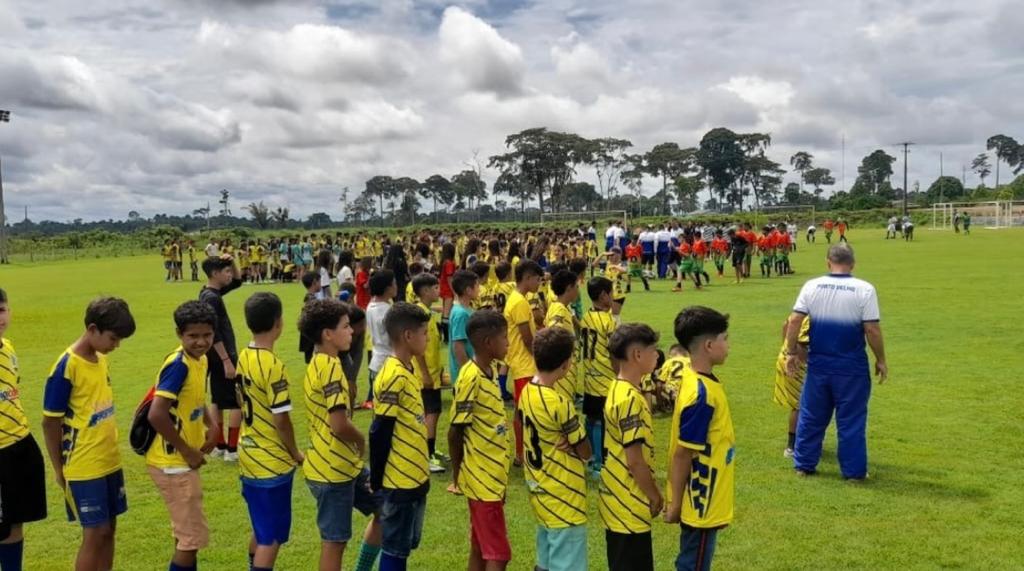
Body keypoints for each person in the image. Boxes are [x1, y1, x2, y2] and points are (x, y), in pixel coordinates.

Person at [42, 297, 136, 571]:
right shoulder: (66, 367)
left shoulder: (100, 358)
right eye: (113, 338)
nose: (116, 345)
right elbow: (50, 422)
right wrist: (59, 470)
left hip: (109, 461)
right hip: (83, 466)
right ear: (92, 329)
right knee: (94, 534)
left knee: (109, 530)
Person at [785, 244, 887, 480]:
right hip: (851, 365)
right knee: (851, 420)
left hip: (819, 363)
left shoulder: (812, 286)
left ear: (827, 261)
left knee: (811, 416)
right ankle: (853, 473)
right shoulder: (864, 289)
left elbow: (794, 321)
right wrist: (880, 359)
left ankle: (804, 465)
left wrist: (791, 352)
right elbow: (871, 329)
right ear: (852, 263)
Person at [298, 299, 383, 571]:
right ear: (327, 334)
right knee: (334, 543)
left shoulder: (319, 361)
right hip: (331, 470)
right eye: (346, 327)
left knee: (386, 509)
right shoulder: (330, 366)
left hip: (346, 466)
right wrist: (361, 440)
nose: (352, 332)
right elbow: (338, 424)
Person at [145, 301, 220, 571]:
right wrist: (187, 450)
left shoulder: (200, 359)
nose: (201, 342)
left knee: (187, 536)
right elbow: (157, 414)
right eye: (193, 336)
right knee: (191, 540)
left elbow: (197, 397)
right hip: (173, 463)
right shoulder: (179, 365)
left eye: (207, 335)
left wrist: (212, 424)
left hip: (181, 461)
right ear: (180, 334)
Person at [236, 292, 304, 571]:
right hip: (270, 463)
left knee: (261, 528)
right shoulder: (273, 366)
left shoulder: (244, 355)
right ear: (279, 322)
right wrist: (296, 453)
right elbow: (282, 420)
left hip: (248, 454)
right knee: (271, 538)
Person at [664, 306, 736, 571]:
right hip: (700, 500)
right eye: (724, 338)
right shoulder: (701, 396)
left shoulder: (698, 380)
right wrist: (675, 504)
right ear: (708, 345)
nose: (728, 345)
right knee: (692, 564)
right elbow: (683, 454)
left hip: (705, 497)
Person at [519, 327, 592, 571]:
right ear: (565, 364)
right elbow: (586, 452)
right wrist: (573, 442)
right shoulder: (559, 403)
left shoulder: (527, 391)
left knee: (546, 559)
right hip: (564, 494)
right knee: (567, 561)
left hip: (540, 489)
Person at [368, 303, 432, 570]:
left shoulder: (407, 368)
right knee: (395, 549)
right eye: (425, 333)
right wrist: (379, 480)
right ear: (408, 336)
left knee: (405, 545)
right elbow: (380, 430)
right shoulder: (392, 374)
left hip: (416, 475)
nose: (428, 338)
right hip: (399, 480)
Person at [448, 310, 513, 571]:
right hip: (481, 479)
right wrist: (457, 475)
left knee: (480, 547)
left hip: (493, 476)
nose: (509, 343)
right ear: (488, 343)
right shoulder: (470, 376)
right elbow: (455, 431)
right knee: (498, 554)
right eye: (505, 338)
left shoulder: (492, 369)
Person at [600, 323, 662, 571]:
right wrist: (654, 495)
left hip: (616, 500)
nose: (657, 355)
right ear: (637, 355)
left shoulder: (617, 387)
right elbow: (635, 460)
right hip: (628, 503)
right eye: (653, 350)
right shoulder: (630, 399)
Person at [0, 289, 47, 571]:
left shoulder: (8, 348)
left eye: (2, 310)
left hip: (19, 445)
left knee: (15, 522)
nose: (0, 318)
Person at [199, 255, 243, 462]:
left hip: (214, 355)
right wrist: (226, 360)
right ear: (215, 274)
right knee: (236, 401)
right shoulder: (212, 298)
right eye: (225, 270)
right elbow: (213, 331)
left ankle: (220, 445)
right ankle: (232, 450)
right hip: (222, 354)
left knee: (217, 399)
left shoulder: (210, 292)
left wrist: (232, 261)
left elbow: (237, 280)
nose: (229, 274)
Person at [504, 260, 543, 465]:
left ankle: (523, 451)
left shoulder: (518, 299)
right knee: (523, 412)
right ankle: (521, 453)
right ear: (527, 278)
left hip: (521, 363)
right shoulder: (519, 302)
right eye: (537, 279)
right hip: (524, 364)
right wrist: (539, 356)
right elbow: (527, 339)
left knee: (523, 410)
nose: (539, 283)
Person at [579, 277, 617, 478]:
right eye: (611, 293)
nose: (613, 297)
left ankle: (591, 458)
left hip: (589, 376)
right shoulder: (608, 321)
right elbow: (613, 351)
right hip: (605, 378)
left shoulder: (586, 317)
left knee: (591, 418)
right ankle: (600, 464)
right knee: (601, 422)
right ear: (603, 296)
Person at [411, 274, 447, 474]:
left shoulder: (426, 312)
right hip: (426, 375)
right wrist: (425, 373)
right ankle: (428, 454)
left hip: (433, 372)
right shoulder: (421, 316)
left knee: (434, 412)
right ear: (425, 291)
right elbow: (419, 349)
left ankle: (431, 448)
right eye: (435, 288)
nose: (438, 291)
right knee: (430, 413)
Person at [775, 314, 809, 457]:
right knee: (799, 405)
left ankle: (803, 440)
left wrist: (786, 350)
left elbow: (786, 324)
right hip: (796, 363)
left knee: (802, 404)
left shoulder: (804, 309)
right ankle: (792, 446)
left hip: (786, 358)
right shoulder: (815, 314)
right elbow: (802, 345)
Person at [544, 270, 580, 401]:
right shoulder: (559, 310)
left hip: (564, 367)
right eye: (576, 286)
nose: (578, 290)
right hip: (562, 371)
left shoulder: (558, 307)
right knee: (564, 404)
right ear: (569, 288)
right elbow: (554, 337)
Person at [366, 270, 397, 409]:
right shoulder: (387, 310)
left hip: (376, 360)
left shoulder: (371, 305)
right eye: (394, 283)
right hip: (388, 361)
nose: (397, 286)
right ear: (387, 288)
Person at [448, 270, 480, 389]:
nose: (479, 289)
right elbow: (458, 347)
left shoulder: (466, 310)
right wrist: (468, 373)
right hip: (464, 375)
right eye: (477, 286)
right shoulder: (461, 314)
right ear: (468, 290)